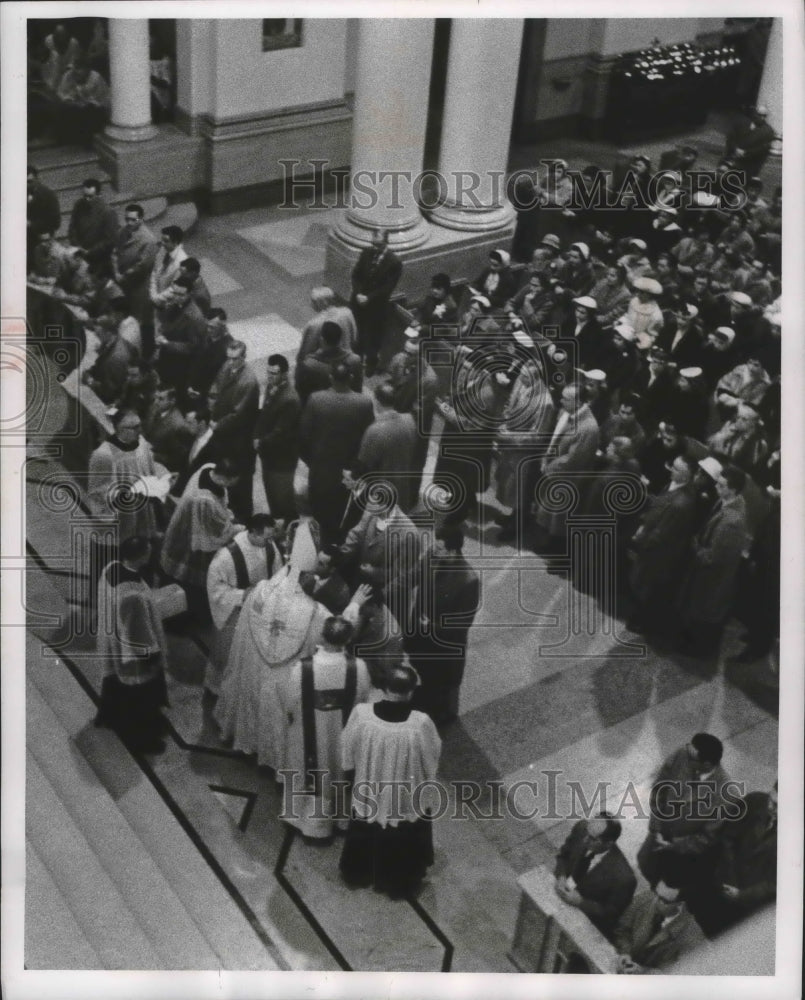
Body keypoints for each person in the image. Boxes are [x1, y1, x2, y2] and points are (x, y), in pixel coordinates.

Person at [214, 520, 330, 765]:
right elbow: (332, 639)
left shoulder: (259, 592)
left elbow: (242, 637)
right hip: (284, 678)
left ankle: (245, 739)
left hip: (254, 670)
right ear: (308, 575)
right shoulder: (315, 612)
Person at [339, 664, 441, 897]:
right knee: (403, 828)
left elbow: (347, 746)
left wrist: (351, 769)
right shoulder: (420, 723)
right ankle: (397, 882)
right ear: (411, 691)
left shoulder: (362, 714)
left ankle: (359, 872)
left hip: (369, 786)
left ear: (384, 688)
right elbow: (431, 756)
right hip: (403, 793)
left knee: (366, 822)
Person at [277, 616, 373, 840]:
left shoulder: (302, 668)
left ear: (322, 636)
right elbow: (363, 700)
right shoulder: (358, 667)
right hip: (341, 736)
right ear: (348, 640)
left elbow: (289, 703)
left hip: (307, 737)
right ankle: (339, 820)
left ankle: (302, 820)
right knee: (339, 774)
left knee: (305, 772)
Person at [94, 536, 170, 755]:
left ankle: (110, 716)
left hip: (112, 641)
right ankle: (142, 740)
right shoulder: (133, 594)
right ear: (142, 557)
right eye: (148, 551)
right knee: (140, 698)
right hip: (133, 655)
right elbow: (139, 633)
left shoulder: (111, 568)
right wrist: (154, 657)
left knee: (116, 685)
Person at [637, 733, 731, 890]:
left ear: (707, 764)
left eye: (691, 758)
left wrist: (673, 845)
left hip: (682, 854)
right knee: (647, 868)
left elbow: (708, 837)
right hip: (658, 834)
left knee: (670, 887)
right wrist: (656, 827)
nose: (685, 757)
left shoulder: (725, 793)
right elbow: (659, 790)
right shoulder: (683, 754)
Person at [407, 523, 480, 725]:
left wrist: (431, 626)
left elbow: (462, 624)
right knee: (424, 672)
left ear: (452, 551)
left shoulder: (468, 580)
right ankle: (427, 698)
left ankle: (443, 715)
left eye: (439, 548)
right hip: (422, 635)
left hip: (444, 645)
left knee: (443, 685)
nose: (433, 550)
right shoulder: (433, 556)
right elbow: (414, 575)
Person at [205, 514, 282, 696]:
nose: (270, 542)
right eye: (266, 537)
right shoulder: (226, 556)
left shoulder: (269, 546)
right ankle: (219, 689)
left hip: (261, 609)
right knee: (228, 652)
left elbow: (278, 573)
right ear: (253, 532)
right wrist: (243, 594)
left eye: (271, 537)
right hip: (234, 612)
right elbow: (216, 589)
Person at [678, 464, 750, 655]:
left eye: (721, 485)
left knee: (703, 611)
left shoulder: (731, 522)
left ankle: (698, 650)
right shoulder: (726, 501)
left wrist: (695, 547)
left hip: (712, 576)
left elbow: (713, 557)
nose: (716, 487)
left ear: (733, 489)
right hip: (706, 571)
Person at [689, 781, 778, 937]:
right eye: (771, 800)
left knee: (718, 935)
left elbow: (775, 883)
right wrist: (729, 878)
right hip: (722, 879)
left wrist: (742, 895)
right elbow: (728, 837)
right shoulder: (755, 801)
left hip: (746, 903)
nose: (770, 807)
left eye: (777, 806)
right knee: (697, 918)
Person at [298, 362, 374, 543]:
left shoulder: (316, 399)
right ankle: (336, 545)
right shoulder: (364, 403)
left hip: (320, 470)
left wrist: (311, 461)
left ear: (330, 378)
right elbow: (368, 439)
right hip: (347, 472)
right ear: (351, 378)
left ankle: (318, 544)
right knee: (341, 515)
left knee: (318, 512)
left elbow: (303, 436)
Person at [627, 454, 699, 636]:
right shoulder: (673, 485)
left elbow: (662, 533)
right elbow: (659, 505)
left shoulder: (681, 503)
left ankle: (639, 621)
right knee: (642, 583)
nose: (671, 470)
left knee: (646, 586)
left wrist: (640, 540)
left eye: (676, 469)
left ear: (687, 475)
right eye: (673, 465)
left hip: (657, 553)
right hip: (651, 542)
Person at [160, 457, 242, 610]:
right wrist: (236, 528)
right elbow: (212, 531)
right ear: (224, 478)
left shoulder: (208, 467)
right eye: (232, 482)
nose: (232, 486)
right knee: (191, 571)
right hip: (194, 533)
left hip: (192, 520)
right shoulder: (204, 499)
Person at [533, 383, 600, 552]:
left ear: (578, 402)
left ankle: (556, 550)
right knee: (551, 512)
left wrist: (549, 468)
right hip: (560, 473)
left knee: (559, 517)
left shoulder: (588, 428)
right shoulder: (570, 415)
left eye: (566, 399)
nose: (561, 401)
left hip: (569, 478)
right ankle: (549, 543)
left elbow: (573, 459)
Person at [553, 814, 637, 941]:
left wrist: (581, 902)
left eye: (592, 839)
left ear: (608, 844)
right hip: (558, 898)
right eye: (586, 832)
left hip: (581, 924)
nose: (584, 840)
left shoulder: (624, 878)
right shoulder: (581, 828)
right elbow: (563, 855)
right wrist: (561, 876)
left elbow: (611, 914)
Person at [207, 340, 261, 522]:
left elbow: (239, 415)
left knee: (241, 480)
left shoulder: (249, 381)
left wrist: (218, 424)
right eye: (228, 358)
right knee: (228, 475)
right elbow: (216, 386)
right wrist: (212, 403)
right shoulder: (227, 367)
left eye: (235, 359)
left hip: (240, 439)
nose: (231, 362)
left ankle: (244, 517)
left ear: (244, 357)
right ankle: (232, 510)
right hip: (226, 434)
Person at [87, 407, 159, 543]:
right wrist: (127, 495)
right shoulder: (104, 455)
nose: (140, 431)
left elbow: (149, 470)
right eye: (135, 427)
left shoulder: (142, 444)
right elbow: (97, 493)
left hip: (141, 510)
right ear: (120, 429)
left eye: (140, 425)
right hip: (119, 517)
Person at [614, 876, 706, 974]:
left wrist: (643, 971)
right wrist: (625, 952)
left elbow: (673, 974)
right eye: (656, 893)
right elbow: (622, 930)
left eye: (663, 900)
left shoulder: (692, 936)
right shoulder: (645, 897)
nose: (655, 901)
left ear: (680, 904)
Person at [355, 381, 419, 512]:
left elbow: (364, 464)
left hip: (380, 491)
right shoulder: (410, 420)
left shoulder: (374, 430)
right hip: (402, 486)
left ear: (376, 401)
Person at [254, 354, 302, 522]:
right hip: (269, 453)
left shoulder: (290, 399)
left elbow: (281, 432)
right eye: (268, 372)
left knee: (282, 496)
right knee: (271, 493)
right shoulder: (271, 386)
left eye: (274, 373)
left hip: (283, 458)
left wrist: (260, 441)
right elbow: (265, 415)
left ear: (284, 374)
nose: (269, 376)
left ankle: (289, 524)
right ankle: (277, 519)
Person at [349, 227, 402, 375]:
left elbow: (387, 288)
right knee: (357, 333)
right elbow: (356, 275)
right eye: (373, 244)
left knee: (373, 337)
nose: (375, 248)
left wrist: (369, 297)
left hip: (376, 306)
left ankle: (371, 364)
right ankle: (356, 362)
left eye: (378, 245)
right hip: (358, 302)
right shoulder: (366, 253)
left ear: (386, 243)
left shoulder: (394, 262)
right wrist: (358, 293)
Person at [154, 274, 208, 400]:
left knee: (172, 392)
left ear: (189, 294)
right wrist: (160, 332)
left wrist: (167, 343)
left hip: (180, 363)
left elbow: (193, 347)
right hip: (168, 354)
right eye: (174, 293)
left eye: (181, 294)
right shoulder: (175, 304)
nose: (176, 297)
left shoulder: (194, 317)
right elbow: (167, 322)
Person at [295, 319, 363, 402]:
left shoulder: (309, 365)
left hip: (318, 407)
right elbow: (358, 389)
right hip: (349, 405)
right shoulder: (355, 360)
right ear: (340, 339)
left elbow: (301, 393)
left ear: (322, 340)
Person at [297, 286, 358, 366]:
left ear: (318, 303)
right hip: (347, 362)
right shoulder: (347, 312)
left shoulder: (314, 324)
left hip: (325, 366)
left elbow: (304, 354)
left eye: (312, 301)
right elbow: (354, 338)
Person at [54, 57, 110, 144]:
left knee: (90, 113)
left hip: (93, 108)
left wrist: (87, 102)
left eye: (80, 70)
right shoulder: (68, 75)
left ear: (88, 70)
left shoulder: (96, 78)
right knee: (62, 109)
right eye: (75, 69)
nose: (76, 73)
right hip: (73, 105)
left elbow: (103, 99)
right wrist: (69, 99)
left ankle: (86, 141)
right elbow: (61, 92)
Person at [143, 385, 193, 472]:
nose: (156, 402)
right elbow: (146, 429)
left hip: (160, 468)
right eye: (155, 397)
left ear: (172, 401)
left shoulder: (178, 425)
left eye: (161, 399)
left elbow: (177, 459)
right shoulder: (154, 408)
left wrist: (153, 455)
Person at [149, 225, 188, 336]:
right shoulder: (162, 251)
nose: (162, 243)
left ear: (175, 242)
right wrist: (153, 293)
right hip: (156, 299)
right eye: (162, 239)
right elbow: (154, 272)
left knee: (165, 332)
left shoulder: (182, 261)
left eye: (166, 241)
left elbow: (175, 288)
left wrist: (157, 298)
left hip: (168, 306)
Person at [67, 178, 119, 260]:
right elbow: (72, 227)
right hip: (79, 252)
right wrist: (77, 245)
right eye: (85, 196)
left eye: (90, 196)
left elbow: (109, 240)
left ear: (99, 195)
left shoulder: (108, 212)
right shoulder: (79, 205)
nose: (87, 199)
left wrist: (91, 251)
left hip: (98, 257)